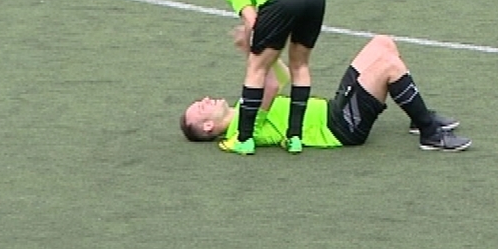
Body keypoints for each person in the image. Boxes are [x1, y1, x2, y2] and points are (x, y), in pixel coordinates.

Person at [180, 35, 472, 152]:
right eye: (201, 107)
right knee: (389, 67)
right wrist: (254, 52)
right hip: (341, 128)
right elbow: (269, 85)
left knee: (382, 44)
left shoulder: (244, 105)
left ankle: (416, 115)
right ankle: (430, 133)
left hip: (334, 109)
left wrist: (256, 55)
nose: (205, 100)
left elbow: (278, 77)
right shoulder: (239, 129)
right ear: (208, 126)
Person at [206, 0, 326, 155]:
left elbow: (252, 20)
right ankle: (294, 137)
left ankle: (243, 139)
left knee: (257, 66)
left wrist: (248, 42)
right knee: (300, 64)